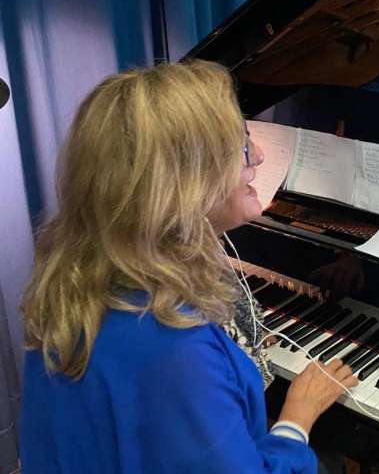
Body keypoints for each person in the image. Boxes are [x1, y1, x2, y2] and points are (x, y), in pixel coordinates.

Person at [20, 61, 357, 473]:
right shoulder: (171, 345)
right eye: (242, 146)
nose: (260, 155)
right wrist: (296, 418)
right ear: (186, 179)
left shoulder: (80, 279)